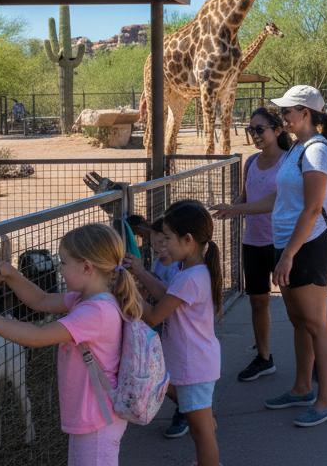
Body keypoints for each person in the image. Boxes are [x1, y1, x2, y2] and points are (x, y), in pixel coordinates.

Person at [0, 223, 140, 465]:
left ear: (87, 267)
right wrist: (13, 276)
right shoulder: (87, 298)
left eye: (63, 263)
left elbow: (36, 336)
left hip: (96, 419)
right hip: (93, 415)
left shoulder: (95, 312)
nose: (59, 269)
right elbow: (41, 300)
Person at [215, 85, 327, 427]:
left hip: (307, 247)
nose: (283, 116)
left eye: (288, 110)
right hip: (288, 245)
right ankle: (301, 388)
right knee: (300, 321)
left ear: (306, 114)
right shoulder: (297, 150)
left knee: (317, 324)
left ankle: (325, 399)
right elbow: (281, 201)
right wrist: (236, 209)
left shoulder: (315, 151)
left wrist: (288, 255)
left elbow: (313, 208)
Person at [127, 200, 222, 466]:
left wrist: (127, 295)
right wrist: (140, 273)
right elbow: (166, 295)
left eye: (168, 238)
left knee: (202, 432)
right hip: (196, 362)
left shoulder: (191, 278)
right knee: (200, 428)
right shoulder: (189, 271)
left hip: (195, 366)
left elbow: (155, 314)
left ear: (188, 240)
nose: (162, 244)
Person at [227, 107, 290, 383]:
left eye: (260, 129)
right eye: (251, 130)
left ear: (278, 130)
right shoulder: (251, 162)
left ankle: (314, 360)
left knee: (296, 307)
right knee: (258, 301)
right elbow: (247, 196)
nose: (255, 135)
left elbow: (274, 202)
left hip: (280, 244)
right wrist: (230, 207)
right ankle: (264, 357)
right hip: (252, 242)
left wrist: (236, 210)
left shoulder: (289, 163)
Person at [127, 218, 187, 434]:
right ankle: (190, 409)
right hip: (163, 327)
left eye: (164, 243)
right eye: (154, 245)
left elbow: (166, 299)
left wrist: (133, 294)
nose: (159, 249)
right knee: (161, 372)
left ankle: (188, 410)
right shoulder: (161, 262)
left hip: (173, 327)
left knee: (163, 373)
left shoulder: (182, 271)